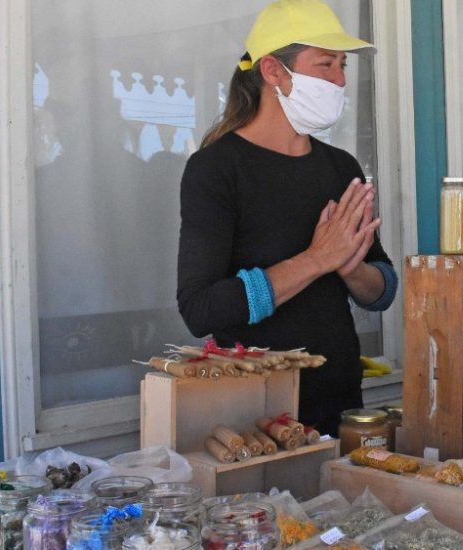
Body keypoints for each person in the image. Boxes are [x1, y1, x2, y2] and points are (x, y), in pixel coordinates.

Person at [176, 0, 397, 434]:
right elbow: (201, 309)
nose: (339, 80)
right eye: (325, 65)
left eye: (342, 66)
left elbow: (382, 289)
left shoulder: (342, 168)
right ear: (274, 71)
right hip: (255, 415)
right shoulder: (217, 169)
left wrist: (353, 270)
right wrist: (316, 259)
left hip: (342, 403)